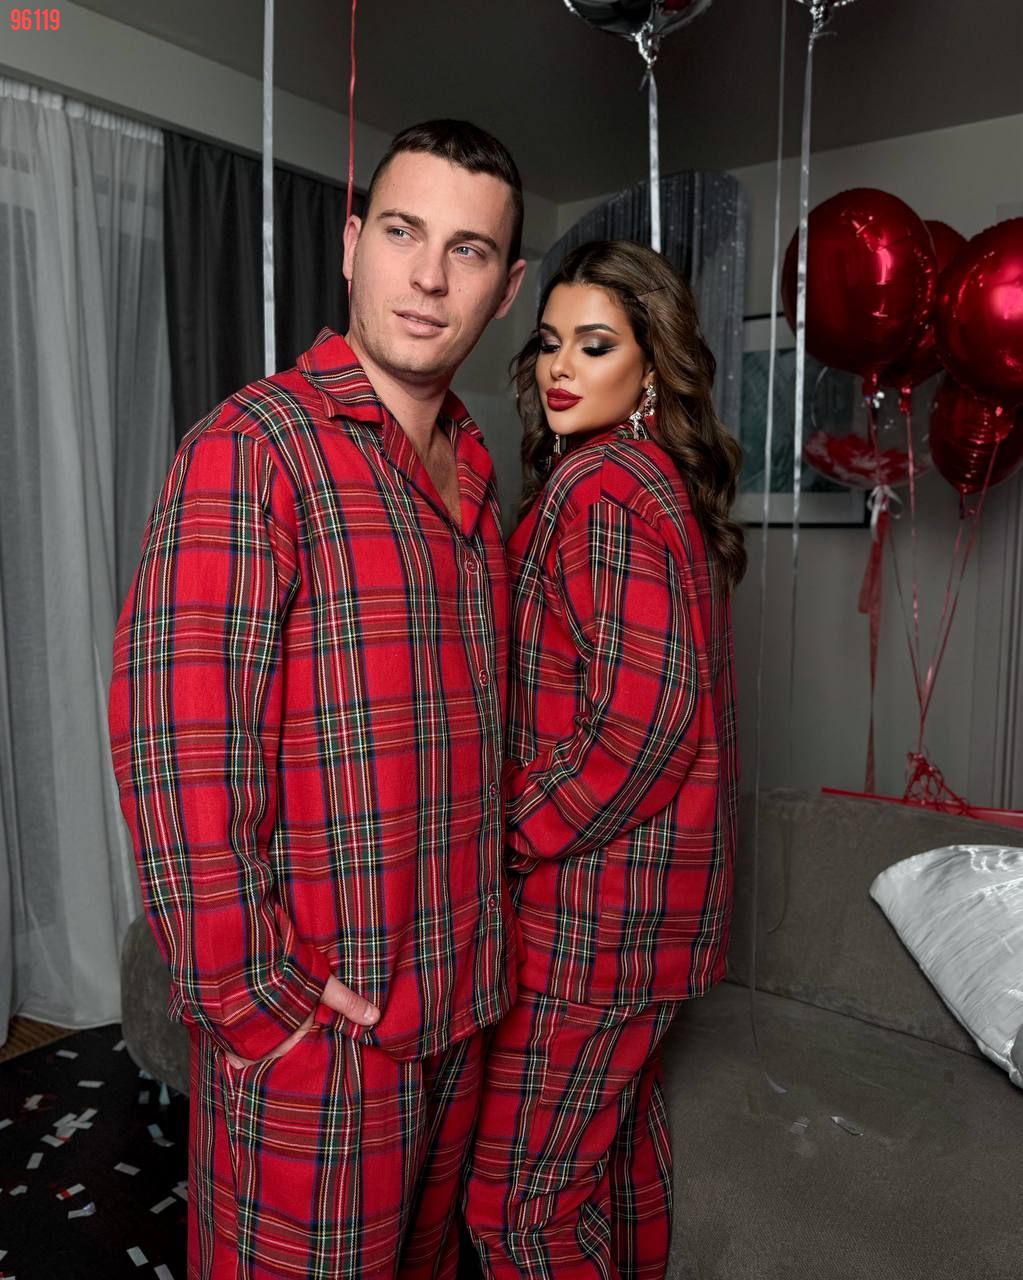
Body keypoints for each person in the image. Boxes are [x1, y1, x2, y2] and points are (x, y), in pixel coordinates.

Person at [108, 119, 527, 1280]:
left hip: (460, 1014)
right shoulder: (255, 449)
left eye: (469, 250)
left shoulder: (478, 478)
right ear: (351, 244)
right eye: (401, 231)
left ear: (507, 289)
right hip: (325, 1039)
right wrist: (267, 1009)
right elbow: (178, 757)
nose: (429, 275)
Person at [463, 239, 745, 1279]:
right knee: (612, 1171)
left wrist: (510, 830)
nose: (559, 367)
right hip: (642, 915)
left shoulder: (606, 490)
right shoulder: (648, 480)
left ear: (653, 366)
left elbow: (643, 727)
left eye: (594, 344)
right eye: (549, 343)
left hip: (596, 920)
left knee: (516, 1210)